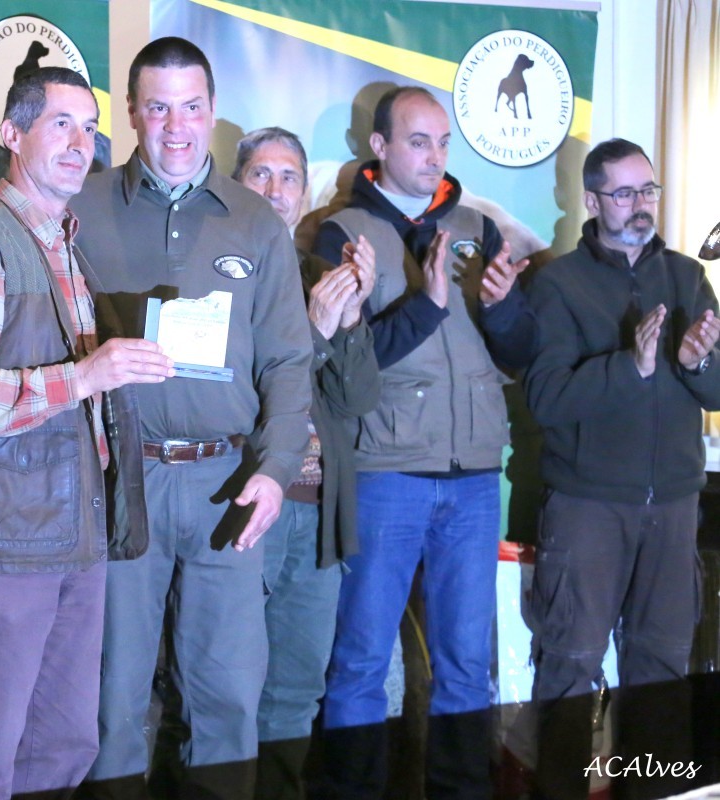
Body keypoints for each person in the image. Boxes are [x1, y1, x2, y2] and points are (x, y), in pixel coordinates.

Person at [0, 66, 174, 799]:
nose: (80, 142)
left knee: (63, 745)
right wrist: (85, 377)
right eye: (61, 123)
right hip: (4, 543)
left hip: (72, 533)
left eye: (89, 128)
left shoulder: (64, 244)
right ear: (12, 133)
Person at [71, 38, 314, 800]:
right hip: (122, 481)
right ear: (132, 113)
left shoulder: (257, 223)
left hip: (227, 484)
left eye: (191, 107)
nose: (176, 127)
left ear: (212, 111)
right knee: (111, 699)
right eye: (158, 108)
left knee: (228, 698)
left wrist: (275, 472)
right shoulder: (81, 207)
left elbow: (289, 362)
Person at [313, 85, 536, 799]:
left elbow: (519, 353)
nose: (435, 156)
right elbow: (345, 368)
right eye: (418, 141)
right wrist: (429, 304)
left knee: (467, 666)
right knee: (360, 663)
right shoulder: (339, 233)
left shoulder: (479, 227)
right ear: (378, 146)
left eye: (443, 143)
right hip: (386, 476)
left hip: (474, 479)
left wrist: (504, 309)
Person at [524, 138, 719, 800]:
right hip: (588, 508)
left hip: (674, 507)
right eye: (625, 193)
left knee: (661, 672)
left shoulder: (688, 277)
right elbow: (547, 398)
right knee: (570, 669)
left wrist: (696, 363)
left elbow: (717, 390)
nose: (641, 205)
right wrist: (628, 367)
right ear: (591, 200)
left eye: (649, 191)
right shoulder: (558, 283)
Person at [232, 127, 380, 799]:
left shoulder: (316, 278)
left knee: (295, 691)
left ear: (303, 192)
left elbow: (357, 399)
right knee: (226, 689)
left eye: (288, 176)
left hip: (320, 514)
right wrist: (316, 332)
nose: (274, 189)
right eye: (260, 174)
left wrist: (348, 320)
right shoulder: (216, 271)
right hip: (246, 511)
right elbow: (235, 392)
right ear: (235, 184)